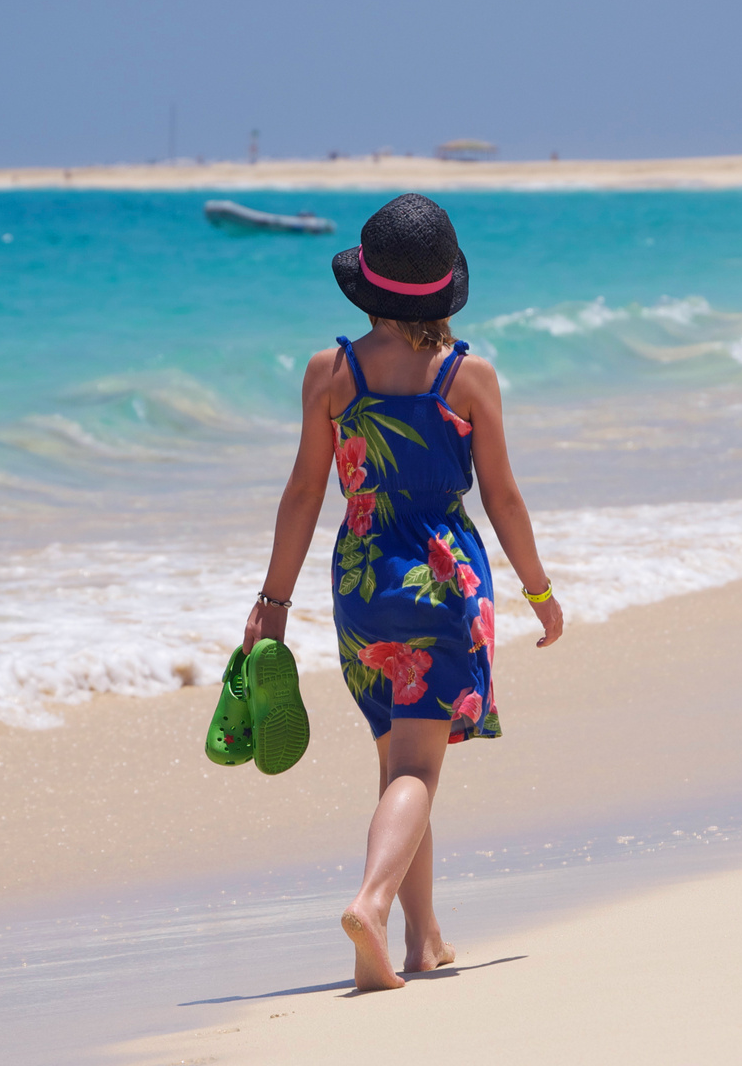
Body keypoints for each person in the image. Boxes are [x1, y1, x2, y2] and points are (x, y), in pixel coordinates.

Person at [242, 193, 564, 991]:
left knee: (399, 764)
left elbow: (300, 497)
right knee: (418, 770)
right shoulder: (467, 377)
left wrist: (273, 605)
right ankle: (372, 905)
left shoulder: (331, 373)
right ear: (444, 286)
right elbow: (505, 500)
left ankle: (423, 940)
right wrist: (539, 590)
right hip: (442, 583)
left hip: (359, 585)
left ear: (367, 287)